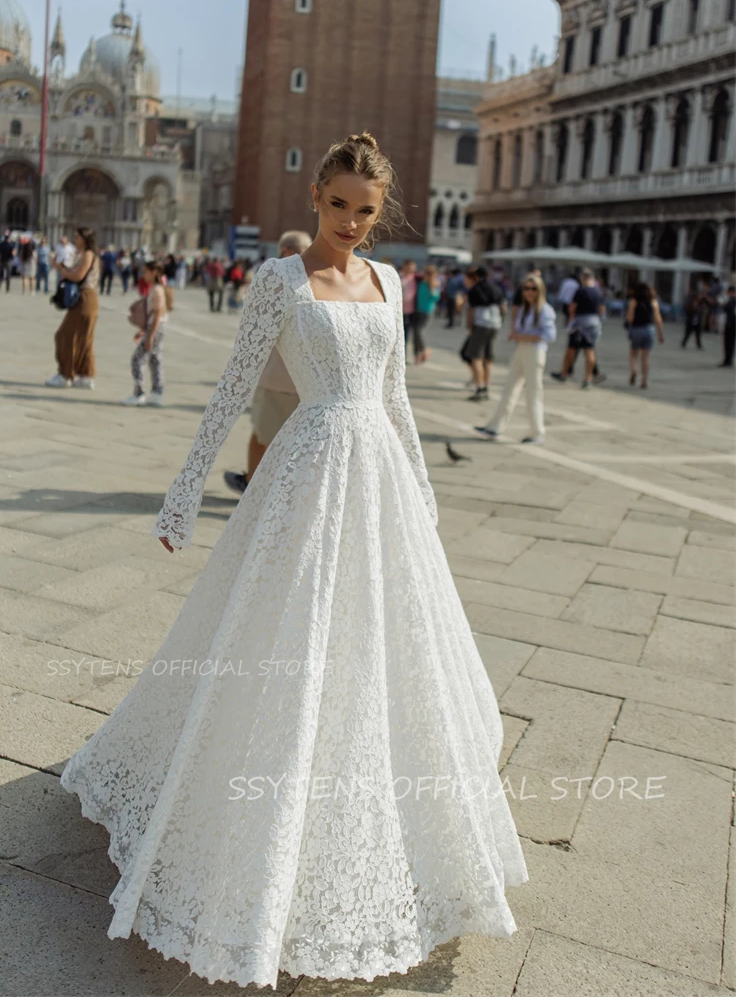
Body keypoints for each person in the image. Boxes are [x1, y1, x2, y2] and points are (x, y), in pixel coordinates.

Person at [60, 131, 527, 990]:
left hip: (378, 476)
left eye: (366, 211)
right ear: (316, 197)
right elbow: (236, 388)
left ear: (381, 215)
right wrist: (184, 491)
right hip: (305, 471)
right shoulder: (279, 280)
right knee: (283, 639)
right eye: (340, 204)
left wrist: (422, 493)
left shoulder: (390, 280)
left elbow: (396, 401)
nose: (351, 222)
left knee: (384, 648)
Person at [223, 230, 311, 496]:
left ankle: (253, 487)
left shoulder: (276, 279)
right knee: (298, 443)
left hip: (276, 377)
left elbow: (254, 332)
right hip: (308, 382)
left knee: (262, 437)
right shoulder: (320, 280)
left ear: (285, 251)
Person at [475, 273, 556, 443]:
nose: (529, 292)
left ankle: (537, 431)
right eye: (526, 288)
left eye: (533, 289)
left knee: (533, 392)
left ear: (540, 290)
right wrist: (517, 335)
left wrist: (523, 336)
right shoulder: (525, 309)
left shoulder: (544, 310)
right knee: (509, 388)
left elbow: (549, 335)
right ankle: (495, 426)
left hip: (535, 352)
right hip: (522, 350)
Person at [45, 227, 99, 389]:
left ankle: (66, 374)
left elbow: (78, 276)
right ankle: (85, 376)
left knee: (65, 335)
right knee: (84, 338)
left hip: (85, 298)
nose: (74, 239)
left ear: (84, 239)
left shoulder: (88, 255)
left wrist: (59, 268)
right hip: (87, 298)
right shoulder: (84, 255)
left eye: (76, 237)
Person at [121, 259, 168, 407]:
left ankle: (139, 392)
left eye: (146, 271)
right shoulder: (156, 288)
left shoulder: (157, 289)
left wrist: (150, 335)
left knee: (137, 359)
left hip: (156, 327)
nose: (143, 274)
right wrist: (143, 331)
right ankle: (156, 393)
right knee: (155, 360)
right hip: (157, 327)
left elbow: (158, 312)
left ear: (154, 273)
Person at [552, 268, 606, 389]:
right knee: (589, 350)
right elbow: (603, 309)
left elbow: (572, 308)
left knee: (571, 349)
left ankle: (564, 373)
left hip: (580, 323)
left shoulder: (580, 291)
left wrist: (571, 321)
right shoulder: (598, 292)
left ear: (583, 278)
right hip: (594, 323)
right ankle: (588, 378)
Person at [463, 265, 506, 402]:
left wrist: (470, 326)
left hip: (481, 325)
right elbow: (503, 307)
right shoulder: (496, 288)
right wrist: (500, 321)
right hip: (495, 324)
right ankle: (486, 386)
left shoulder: (475, 290)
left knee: (476, 357)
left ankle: (479, 387)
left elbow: (470, 311)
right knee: (488, 358)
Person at [626, 282, 664, 389]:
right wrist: (660, 334)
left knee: (633, 354)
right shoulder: (654, 302)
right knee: (646, 357)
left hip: (636, 329)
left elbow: (630, 318)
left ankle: (634, 371)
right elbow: (658, 320)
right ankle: (644, 381)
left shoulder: (633, 301)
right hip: (649, 329)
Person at [411, 263, 441, 363]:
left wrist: (432, 288)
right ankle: (417, 354)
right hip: (416, 310)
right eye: (425, 272)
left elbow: (436, 297)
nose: (426, 274)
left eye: (429, 273)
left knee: (420, 332)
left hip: (427, 311)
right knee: (415, 333)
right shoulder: (420, 282)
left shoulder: (433, 284)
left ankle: (424, 350)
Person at [399, 258, 417, 357]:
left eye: (413, 267)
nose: (411, 269)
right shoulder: (398, 277)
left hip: (410, 311)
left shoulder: (416, 278)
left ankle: (403, 355)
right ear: (404, 266)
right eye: (409, 267)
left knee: (406, 334)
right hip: (398, 310)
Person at [720, 284, 736, 368]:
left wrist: (723, 305)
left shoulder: (732, 300)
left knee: (728, 344)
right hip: (733, 324)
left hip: (730, 324)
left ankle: (727, 360)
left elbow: (727, 309)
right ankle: (728, 360)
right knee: (731, 344)